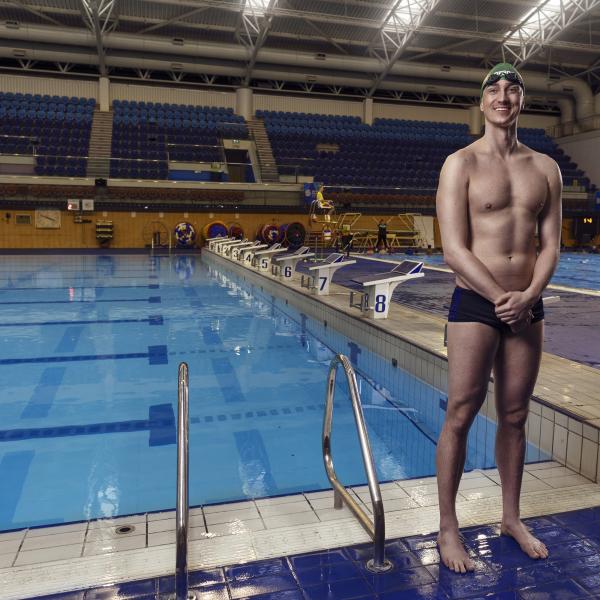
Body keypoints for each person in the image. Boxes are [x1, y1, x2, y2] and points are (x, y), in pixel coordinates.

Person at [435, 63, 562, 573]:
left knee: (515, 415)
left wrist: (529, 294)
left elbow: (551, 245)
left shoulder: (546, 168)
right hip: (476, 302)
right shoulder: (459, 163)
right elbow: (453, 248)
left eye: (512, 89)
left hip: (526, 303)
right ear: (482, 102)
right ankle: (448, 526)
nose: (503, 96)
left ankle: (511, 517)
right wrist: (501, 297)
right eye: (494, 88)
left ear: (521, 101)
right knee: (461, 412)